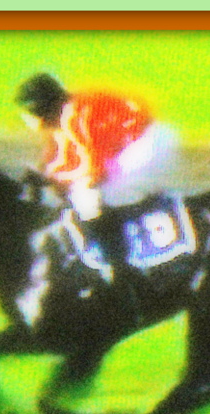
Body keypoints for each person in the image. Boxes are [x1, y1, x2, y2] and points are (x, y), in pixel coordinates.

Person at [16, 73, 179, 317]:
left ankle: (123, 273)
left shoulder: (75, 117)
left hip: (147, 144)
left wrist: (53, 179)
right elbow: (62, 158)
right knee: (82, 192)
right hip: (136, 139)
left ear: (38, 109)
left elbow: (93, 167)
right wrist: (45, 174)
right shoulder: (67, 114)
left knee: (88, 200)